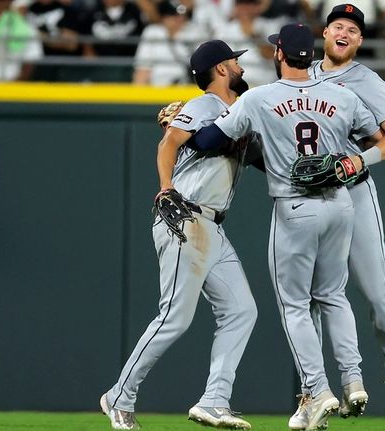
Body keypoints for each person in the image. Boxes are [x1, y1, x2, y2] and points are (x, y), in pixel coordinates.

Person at [192, 22, 385, 430]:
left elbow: (207, 141)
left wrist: (185, 129)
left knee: (295, 305)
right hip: (341, 204)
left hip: (296, 207)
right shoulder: (342, 95)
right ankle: (355, 380)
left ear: (278, 54)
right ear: (311, 53)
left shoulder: (259, 98)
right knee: (333, 296)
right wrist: (351, 160)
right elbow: (380, 137)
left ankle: (318, 388)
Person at [100, 39, 257, 431]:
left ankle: (215, 400)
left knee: (241, 311)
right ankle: (120, 396)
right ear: (221, 69)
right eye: (234, 62)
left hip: (213, 227)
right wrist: (166, 186)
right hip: (185, 215)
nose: (240, 67)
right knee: (174, 316)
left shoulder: (232, 111)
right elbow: (168, 143)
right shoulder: (205, 105)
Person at [285, 4, 385, 428]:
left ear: (359, 41)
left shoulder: (367, 82)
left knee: (377, 294)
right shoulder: (302, 72)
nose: (344, 32)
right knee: (313, 300)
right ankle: (314, 395)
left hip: (353, 193)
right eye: (338, 25)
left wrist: (358, 161)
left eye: (353, 29)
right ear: (325, 33)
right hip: (308, 197)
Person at [132, 0, 206, 85]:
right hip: (158, 87)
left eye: (183, 15)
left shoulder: (194, 32)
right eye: (174, 15)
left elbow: (203, 69)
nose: (180, 18)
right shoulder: (152, 32)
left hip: (185, 87)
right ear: (163, 17)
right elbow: (142, 70)